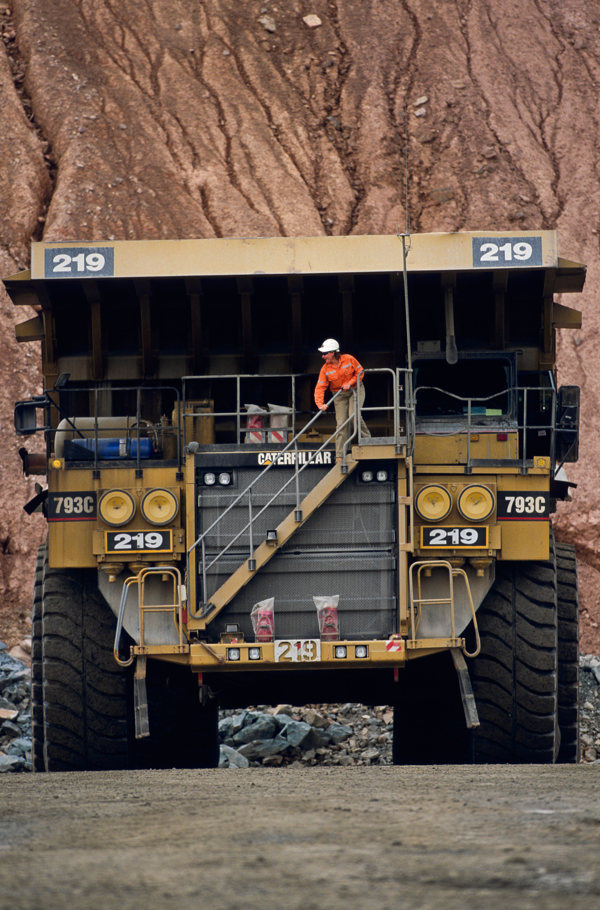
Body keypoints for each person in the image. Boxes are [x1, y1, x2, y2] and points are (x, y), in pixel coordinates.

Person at [314, 338, 371, 461]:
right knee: (341, 424)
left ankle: (367, 441)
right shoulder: (325, 369)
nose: (323, 356)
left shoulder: (349, 359)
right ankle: (340, 455)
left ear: (333, 352)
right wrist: (320, 404)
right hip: (339, 396)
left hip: (356, 390)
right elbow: (320, 387)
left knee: (354, 416)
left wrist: (350, 383)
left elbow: (360, 372)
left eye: (325, 353)